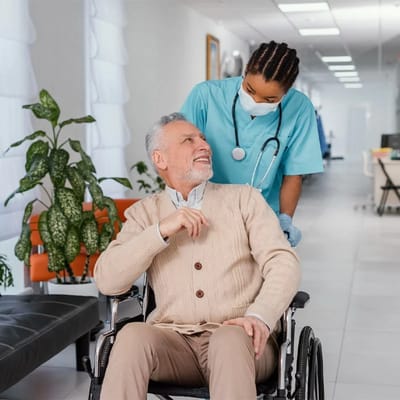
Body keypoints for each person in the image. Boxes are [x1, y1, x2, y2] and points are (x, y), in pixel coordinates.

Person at [94, 112, 300, 400]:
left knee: (228, 340)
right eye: (188, 140)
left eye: (202, 139)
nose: (204, 145)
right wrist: (161, 231)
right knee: (132, 336)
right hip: (173, 344)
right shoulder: (145, 213)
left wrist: (260, 315)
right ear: (160, 159)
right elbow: (107, 281)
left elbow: (283, 262)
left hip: (242, 341)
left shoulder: (244, 199)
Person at [180, 40, 324, 247]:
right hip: (204, 212)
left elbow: (294, 174)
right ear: (245, 72)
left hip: (262, 215)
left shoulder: (300, 109)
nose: (256, 101)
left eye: (270, 99)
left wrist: (285, 220)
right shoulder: (205, 96)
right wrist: (186, 208)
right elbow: (182, 155)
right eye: (250, 89)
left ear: (286, 92)